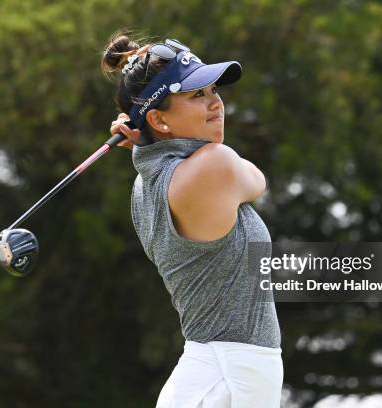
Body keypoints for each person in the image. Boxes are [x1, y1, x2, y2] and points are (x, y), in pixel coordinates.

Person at [101, 31, 282, 408]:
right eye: (196, 94)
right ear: (158, 120)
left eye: (214, 90)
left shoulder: (145, 183)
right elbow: (256, 181)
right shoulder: (214, 166)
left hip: (217, 376)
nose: (216, 104)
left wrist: (145, 145)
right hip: (225, 378)